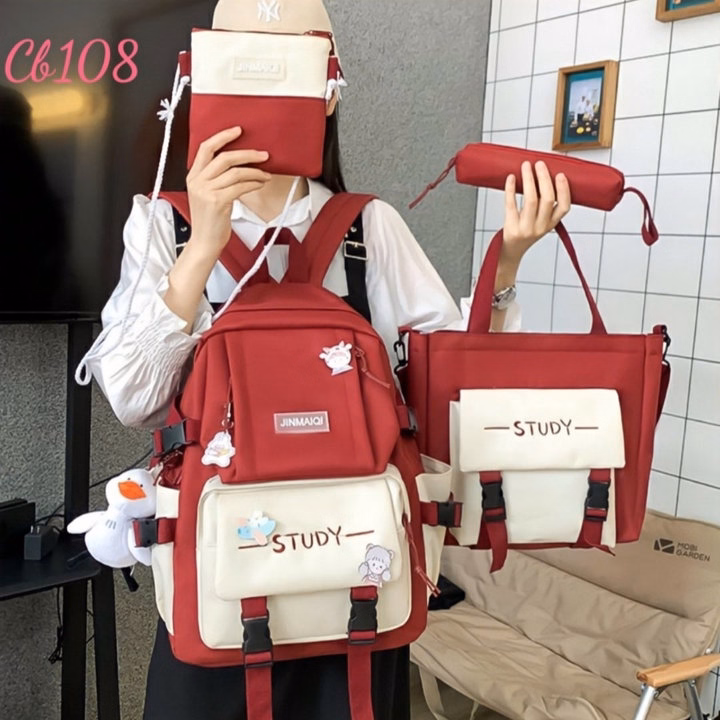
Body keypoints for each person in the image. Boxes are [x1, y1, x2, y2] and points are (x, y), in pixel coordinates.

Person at [79, 2, 572, 718]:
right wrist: (203, 246)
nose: (263, 85)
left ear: (329, 88)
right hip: (216, 581)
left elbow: (450, 402)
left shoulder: (369, 227)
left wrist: (508, 262)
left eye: (288, 65)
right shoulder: (162, 221)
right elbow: (131, 398)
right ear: (202, 80)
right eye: (240, 65)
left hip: (358, 580)